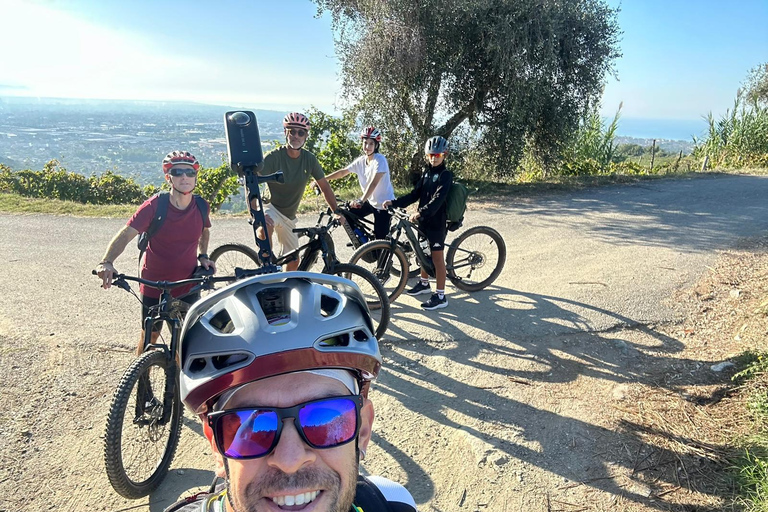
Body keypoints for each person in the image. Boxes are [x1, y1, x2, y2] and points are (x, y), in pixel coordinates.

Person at [165, 272, 418, 512]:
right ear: (217, 447)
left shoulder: (394, 504)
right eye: (252, 427)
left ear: (362, 431)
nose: (289, 461)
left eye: (324, 420)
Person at [96, 150, 214, 354]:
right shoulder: (154, 206)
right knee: (150, 335)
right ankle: (142, 381)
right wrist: (107, 261)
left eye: (189, 172)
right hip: (155, 283)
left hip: (187, 284)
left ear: (195, 175)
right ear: (169, 177)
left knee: (187, 340)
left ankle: (177, 381)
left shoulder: (202, 206)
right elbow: (126, 234)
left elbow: (204, 230)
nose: (184, 177)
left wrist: (203, 255)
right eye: (177, 172)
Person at [251, 112, 341, 271]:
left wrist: (336, 211)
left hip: (289, 217)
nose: (296, 136)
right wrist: (257, 212)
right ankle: (267, 268)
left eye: (301, 132)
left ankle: (282, 288)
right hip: (271, 207)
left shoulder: (309, 159)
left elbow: (325, 186)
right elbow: (252, 184)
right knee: (265, 227)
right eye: (292, 131)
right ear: (286, 132)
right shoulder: (273, 157)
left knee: (293, 262)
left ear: (306, 136)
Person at [384, 136, 452, 311]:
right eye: (430, 155)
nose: (434, 158)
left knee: (437, 259)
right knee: (422, 252)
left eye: (437, 155)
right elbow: (414, 195)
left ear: (444, 155)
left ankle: (441, 296)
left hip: (436, 223)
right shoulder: (427, 173)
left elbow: (438, 200)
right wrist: (395, 202)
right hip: (423, 221)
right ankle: (424, 284)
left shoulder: (445, 175)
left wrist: (421, 212)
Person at [317, 126, 395, 240]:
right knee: (347, 216)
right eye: (365, 143)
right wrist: (322, 180)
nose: (367, 147)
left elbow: (373, 184)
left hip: (384, 205)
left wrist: (361, 200)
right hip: (370, 201)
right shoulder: (361, 161)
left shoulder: (380, 160)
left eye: (371, 144)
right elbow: (343, 172)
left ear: (376, 145)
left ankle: (382, 251)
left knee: (381, 245)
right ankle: (362, 241)